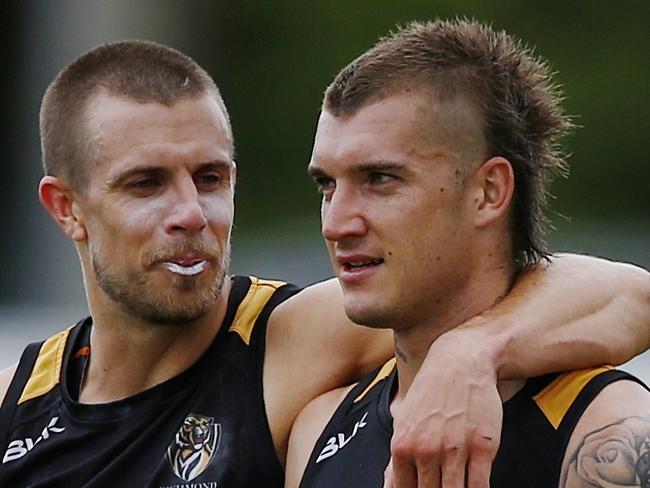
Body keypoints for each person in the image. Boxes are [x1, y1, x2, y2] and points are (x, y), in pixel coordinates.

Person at [0, 40, 648, 488]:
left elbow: (624, 294)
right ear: (67, 209)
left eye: (210, 177)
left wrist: (473, 350)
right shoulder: (14, 404)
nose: (191, 213)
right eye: (144, 183)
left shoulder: (296, 339)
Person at [284, 18, 650, 488]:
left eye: (380, 179)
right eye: (327, 185)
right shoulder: (317, 429)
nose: (336, 224)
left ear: (488, 192)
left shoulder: (608, 431)